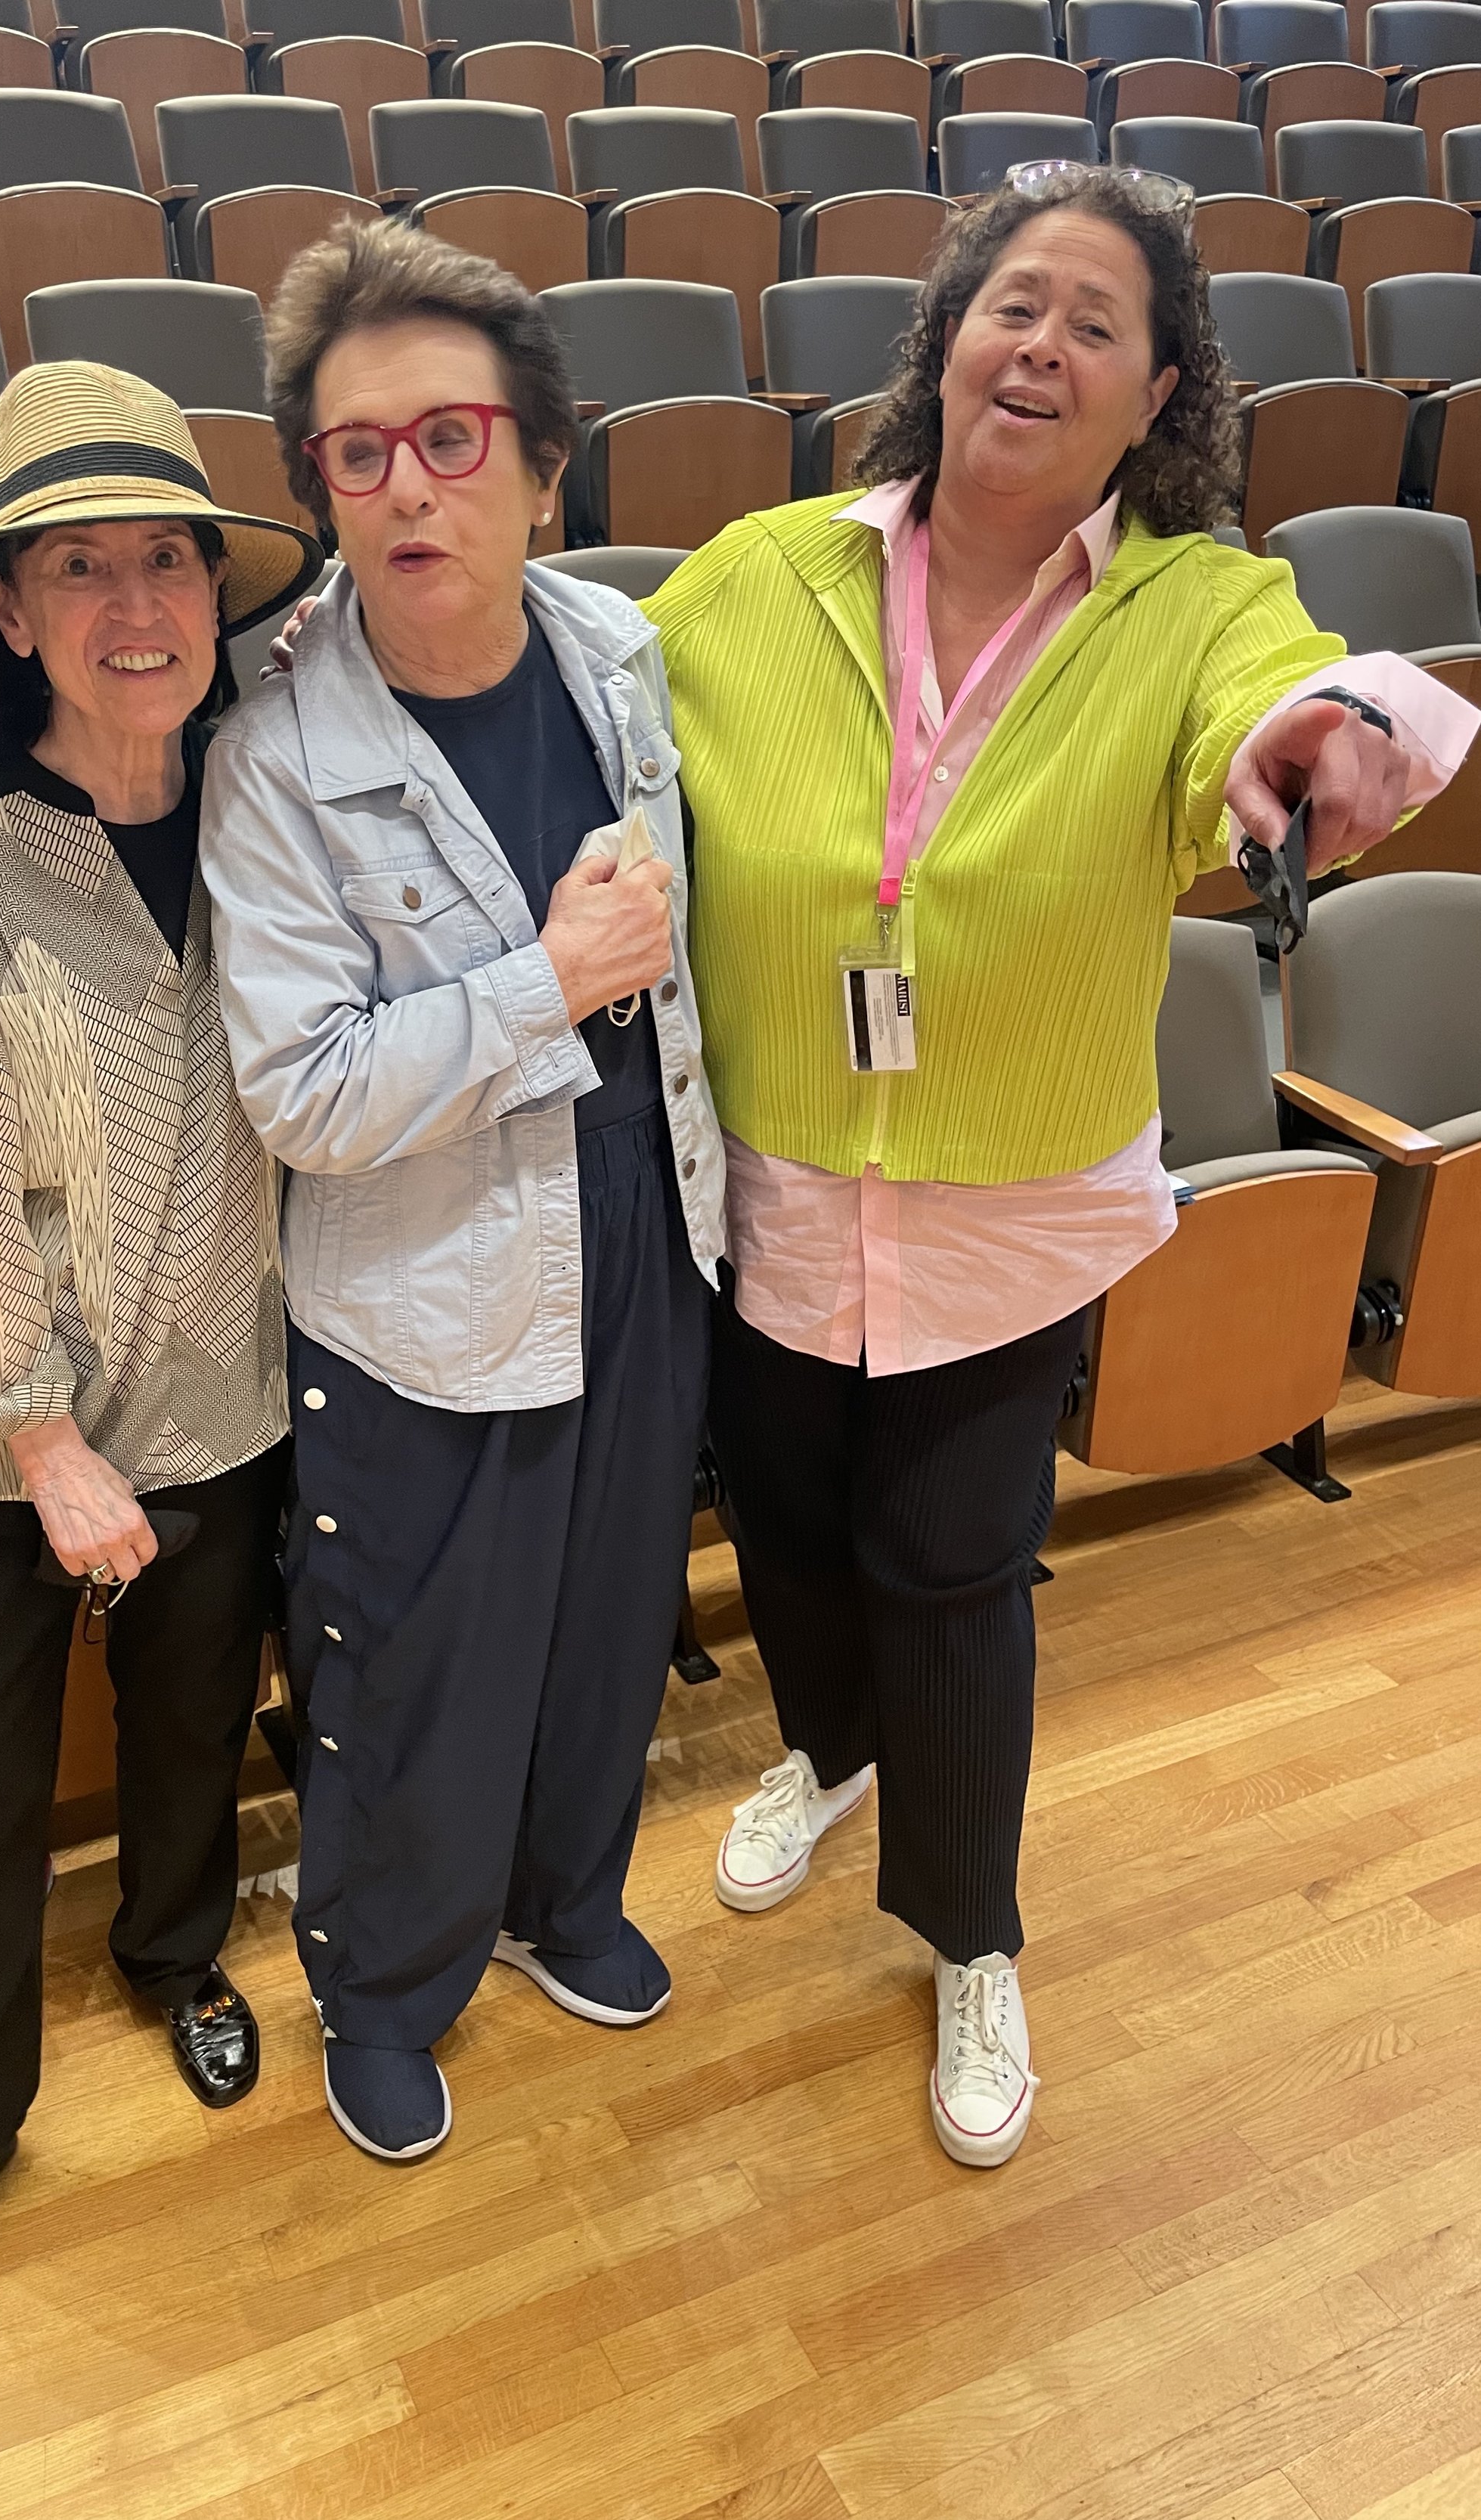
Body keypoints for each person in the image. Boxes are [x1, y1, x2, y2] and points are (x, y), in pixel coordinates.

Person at [643, 163, 1479, 2169]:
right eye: (1014, 304)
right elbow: (570, 709)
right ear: (943, 349)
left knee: (950, 1568)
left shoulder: (1190, 598)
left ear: (1153, 393)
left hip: (1004, 1206)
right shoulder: (759, 573)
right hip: (764, 1183)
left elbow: (1282, 702)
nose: (1042, 343)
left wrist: (1323, 733)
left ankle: (968, 1926)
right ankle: (831, 1753)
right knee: (787, 1528)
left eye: (1095, 324)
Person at [201, 220, 724, 2163]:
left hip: (637, 1227)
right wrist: (544, 987)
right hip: (417, 1275)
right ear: (319, 485)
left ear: (537, 458)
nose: (407, 485)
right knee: (414, 1659)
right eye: (357, 452)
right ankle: (386, 1978)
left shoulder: (616, 652)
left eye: (448, 436)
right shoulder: (273, 747)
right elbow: (305, 1090)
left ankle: (565, 1896)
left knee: (604, 1613)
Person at [0, 362, 321, 2325]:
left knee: (196, 1724)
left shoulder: (263, 805)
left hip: (215, 1381)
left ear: (214, 590)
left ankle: (170, 1950)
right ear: (13, 610)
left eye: (167, 561)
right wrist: (43, 1445)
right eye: (80, 566)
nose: (136, 605)